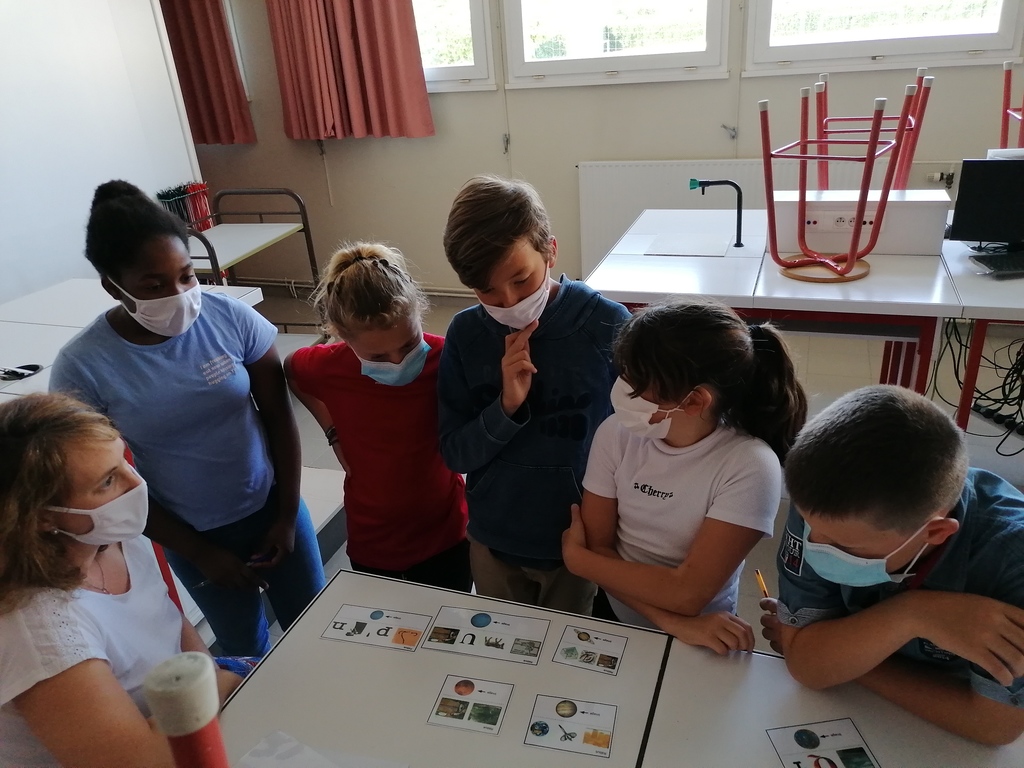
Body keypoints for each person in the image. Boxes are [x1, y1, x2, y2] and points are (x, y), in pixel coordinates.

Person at [50, 180, 325, 658]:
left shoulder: (229, 318)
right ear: (113, 286)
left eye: (186, 276)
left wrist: (285, 515)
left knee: (316, 626)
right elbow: (103, 481)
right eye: (154, 285)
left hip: (272, 507)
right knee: (241, 648)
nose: (178, 295)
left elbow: (280, 418)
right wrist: (200, 553)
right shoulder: (83, 367)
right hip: (189, 531)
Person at [759, 385, 1024, 745]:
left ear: (935, 533)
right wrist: (914, 614)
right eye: (809, 526)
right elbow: (806, 665)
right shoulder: (824, 503)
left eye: (844, 546)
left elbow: (993, 725)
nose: (815, 545)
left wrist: (844, 658)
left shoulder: (1012, 562)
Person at [0, 393, 243, 768]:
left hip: (186, 709)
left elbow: (168, 621)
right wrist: (218, 683)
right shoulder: (42, 633)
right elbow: (143, 761)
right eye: (108, 481)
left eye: (123, 461)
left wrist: (210, 677)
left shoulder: (109, 537)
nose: (136, 484)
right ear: (42, 517)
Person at [561, 297, 807, 654]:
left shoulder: (750, 465)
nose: (622, 387)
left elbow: (688, 593)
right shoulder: (616, 434)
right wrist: (673, 622)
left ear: (694, 401)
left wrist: (582, 562)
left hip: (706, 636)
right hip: (625, 616)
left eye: (637, 381)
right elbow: (600, 551)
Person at [439, 175, 630, 612]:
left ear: (550, 251)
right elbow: (455, 454)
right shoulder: (467, 334)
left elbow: (637, 440)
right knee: (499, 645)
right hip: (494, 539)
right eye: (486, 290)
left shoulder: (606, 324)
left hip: (577, 541)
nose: (507, 302)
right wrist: (505, 407)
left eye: (522, 280)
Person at [284, 242, 470, 591]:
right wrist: (333, 432)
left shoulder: (447, 357)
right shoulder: (327, 366)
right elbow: (292, 371)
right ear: (342, 337)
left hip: (446, 536)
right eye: (378, 357)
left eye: (409, 345)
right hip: (373, 541)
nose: (398, 362)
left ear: (419, 315)